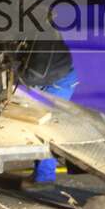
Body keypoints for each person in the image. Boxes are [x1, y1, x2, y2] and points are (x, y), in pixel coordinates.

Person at [19, 38, 78, 189]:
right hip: (61, 74)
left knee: (46, 128)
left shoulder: (31, 42)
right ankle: (41, 173)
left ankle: (44, 178)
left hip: (57, 81)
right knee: (43, 125)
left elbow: (30, 75)